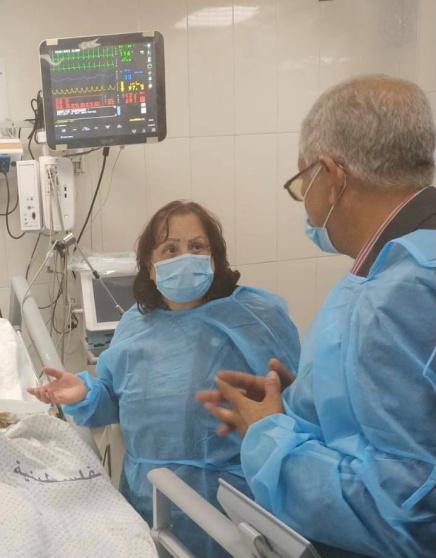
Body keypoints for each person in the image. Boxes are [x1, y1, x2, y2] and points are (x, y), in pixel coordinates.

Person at [197, 75, 436, 558]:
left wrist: (268, 434)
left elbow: (406, 513)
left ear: (331, 175)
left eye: (302, 182)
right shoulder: (404, 264)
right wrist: (315, 402)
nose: (305, 201)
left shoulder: (398, 290)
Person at [29, 200, 301, 557]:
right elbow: (116, 399)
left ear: (214, 259)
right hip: (149, 498)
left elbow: (296, 401)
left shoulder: (253, 318)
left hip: (231, 504)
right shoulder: (134, 326)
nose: (185, 257)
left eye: (197, 247)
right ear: (151, 267)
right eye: (170, 249)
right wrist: (85, 393)